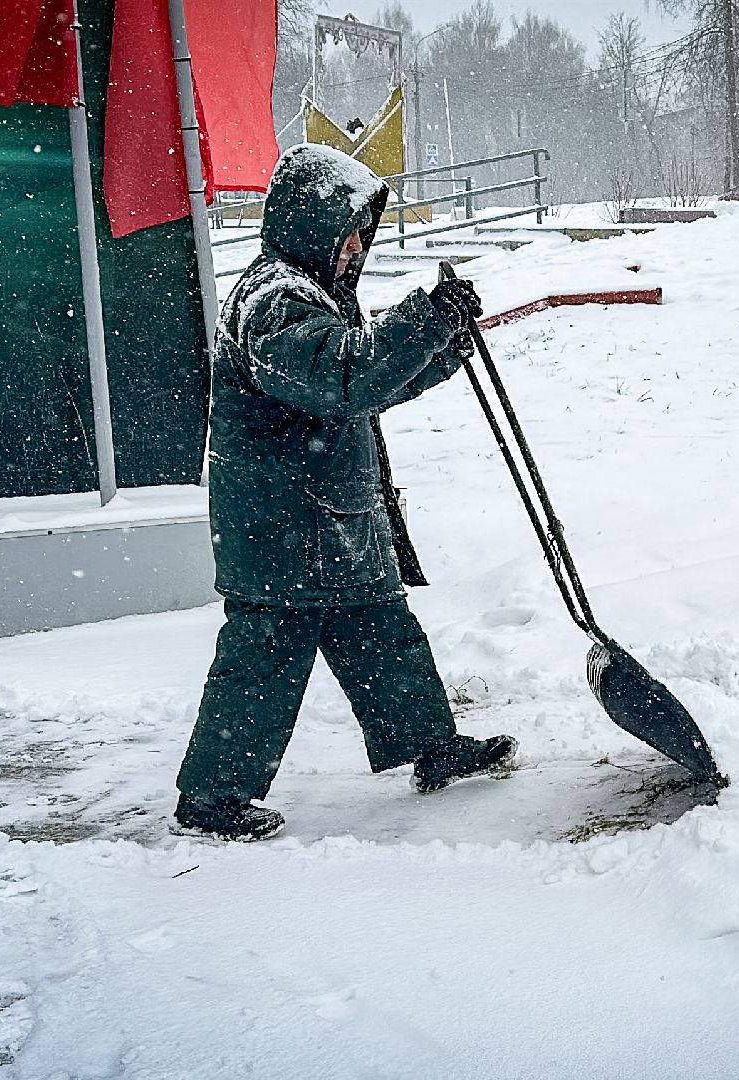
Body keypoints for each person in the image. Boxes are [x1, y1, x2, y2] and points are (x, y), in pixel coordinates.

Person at [172, 143, 517, 842]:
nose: (358, 244)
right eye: (350, 229)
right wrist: (422, 320)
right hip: (282, 526)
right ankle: (210, 796)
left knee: (382, 632)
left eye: (364, 230)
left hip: (328, 517)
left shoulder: (310, 297)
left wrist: (442, 345)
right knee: (263, 654)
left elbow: (363, 390)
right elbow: (342, 377)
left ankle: (432, 747)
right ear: (312, 224)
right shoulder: (274, 304)